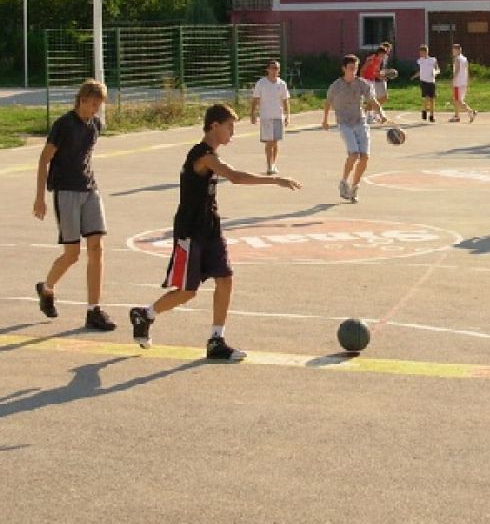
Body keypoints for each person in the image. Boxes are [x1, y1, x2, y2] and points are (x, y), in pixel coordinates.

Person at [129, 104, 301, 359]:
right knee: (188, 291)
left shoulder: (211, 154)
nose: (232, 132)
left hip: (211, 226)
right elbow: (235, 177)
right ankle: (145, 314)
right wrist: (275, 179)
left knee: (225, 278)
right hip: (191, 230)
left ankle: (216, 340)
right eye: (230, 127)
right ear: (215, 126)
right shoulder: (202, 155)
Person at [32, 79, 116, 331]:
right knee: (72, 254)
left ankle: (94, 310)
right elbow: (44, 160)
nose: (94, 109)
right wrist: (40, 197)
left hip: (90, 189)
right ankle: (46, 288)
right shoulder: (63, 125)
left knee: (97, 247)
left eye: (98, 105)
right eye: (91, 104)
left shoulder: (96, 125)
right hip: (66, 192)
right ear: (81, 100)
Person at [322, 54, 386, 203]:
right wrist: (325, 120)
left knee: (365, 157)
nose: (354, 71)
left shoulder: (362, 84)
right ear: (344, 68)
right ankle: (344, 182)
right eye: (351, 68)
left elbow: (372, 100)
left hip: (360, 122)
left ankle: (354, 188)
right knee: (354, 154)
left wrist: (381, 114)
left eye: (356, 68)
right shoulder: (336, 86)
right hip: (344, 123)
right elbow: (327, 103)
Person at [250, 59, 290, 175]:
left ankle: (273, 164)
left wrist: (288, 115)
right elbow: (255, 99)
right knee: (269, 142)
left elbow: (285, 100)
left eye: (277, 68)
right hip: (266, 117)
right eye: (272, 68)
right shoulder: (261, 83)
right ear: (267, 69)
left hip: (278, 116)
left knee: (275, 142)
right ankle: (269, 166)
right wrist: (253, 114)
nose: (274, 71)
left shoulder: (282, 84)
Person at [410, 44, 440, 122]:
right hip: (423, 81)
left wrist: (435, 73)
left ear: (426, 52)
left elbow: (438, 69)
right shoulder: (420, 60)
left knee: (432, 99)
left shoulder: (433, 60)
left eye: (422, 52)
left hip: (431, 82)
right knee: (426, 98)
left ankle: (432, 115)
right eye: (420, 53)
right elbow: (420, 71)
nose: (421, 54)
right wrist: (414, 76)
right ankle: (424, 111)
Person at [360, 46, 388, 125]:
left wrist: (382, 77)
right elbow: (362, 69)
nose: (384, 56)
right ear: (379, 53)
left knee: (371, 100)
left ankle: (366, 116)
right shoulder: (371, 59)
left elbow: (375, 72)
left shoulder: (379, 61)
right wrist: (362, 80)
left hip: (372, 81)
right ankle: (378, 116)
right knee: (372, 100)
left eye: (385, 55)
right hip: (366, 81)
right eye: (383, 54)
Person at [449, 43, 477, 123]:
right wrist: (467, 80)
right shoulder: (465, 59)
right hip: (463, 82)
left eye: (453, 50)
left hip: (458, 82)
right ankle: (457, 116)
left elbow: (457, 70)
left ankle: (471, 111)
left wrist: (453, 79)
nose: (453, 52)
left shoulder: (457, 59)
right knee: (456, 99)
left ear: (457, 50)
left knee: (458, 100)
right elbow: (467, 70)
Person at [373, 41, 393, 106]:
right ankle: (370, 110)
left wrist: (388, 73)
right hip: (376, 80)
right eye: (388, 49)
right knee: (381, 97)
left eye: (389, 49)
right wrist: (381, 76)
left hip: (382, 79)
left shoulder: (385, 57)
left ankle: (374, 110)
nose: (388, 51)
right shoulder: (377, 58)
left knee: (383, 98)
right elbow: (374, 70)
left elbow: (382, 69)